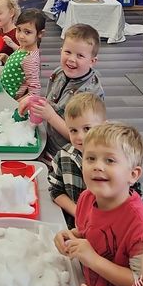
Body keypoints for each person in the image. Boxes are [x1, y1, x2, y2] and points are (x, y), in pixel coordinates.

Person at [54, 122, 143, 286]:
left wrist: (94, 260)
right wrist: (71, 236)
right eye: (90, 158)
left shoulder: (141, 224)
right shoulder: (86, 198)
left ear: (133, 174)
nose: (97, 166)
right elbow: (89, 232)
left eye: (110, 160)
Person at [29, 23, 104, 159]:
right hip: (49, 143)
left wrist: (50, 115)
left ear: (92, 61)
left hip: (69, 156)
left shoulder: (88, 94)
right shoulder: (59, 72)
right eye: (68, 52)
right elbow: (53, 103)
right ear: (61, 51)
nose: (71, 59)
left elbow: (80, 138)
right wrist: (34, 102)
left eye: (80, 56)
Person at [47, 92, 107, 223]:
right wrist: (77, 212)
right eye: (73, 130)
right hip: (72, 224)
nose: (79, 137)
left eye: (87, 128)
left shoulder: (114, 161)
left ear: (103, 126)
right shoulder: (63, 156)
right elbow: (55, 190)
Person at [0, 9, 46, 108]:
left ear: (40, 34)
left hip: (10, 102)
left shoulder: (30, 59)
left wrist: (16, 104)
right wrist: (7, 59)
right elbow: (20, 69)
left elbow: (34, 92)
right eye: (19, 30)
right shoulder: (23, 49)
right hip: (4, 95)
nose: (21, 36)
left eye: (27, 32)